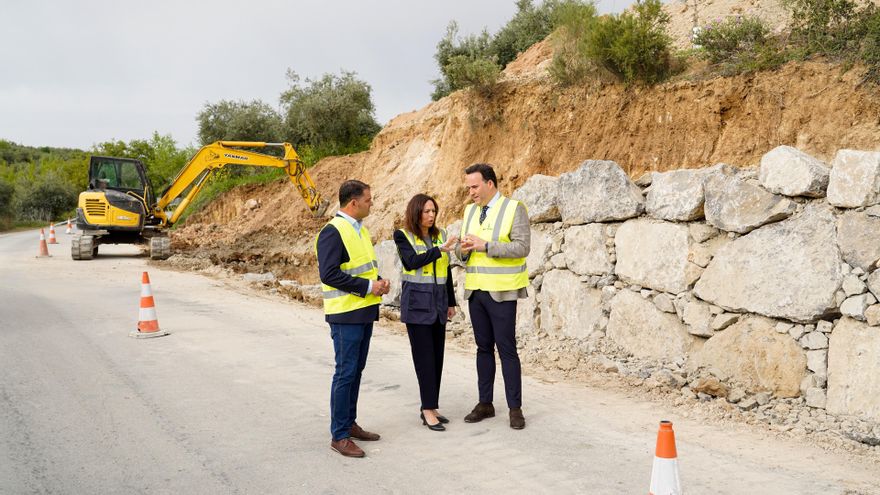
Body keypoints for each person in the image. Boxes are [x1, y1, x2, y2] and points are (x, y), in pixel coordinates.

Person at [315, 179, 390, 458]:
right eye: (369, 199)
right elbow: (330, 274)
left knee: (355, 371)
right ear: (353, 202)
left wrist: (378, 282)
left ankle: (349, 423)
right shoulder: (333, 231)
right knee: (345, 372)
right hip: (345, 314)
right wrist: (369, 287)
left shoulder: (360, 230)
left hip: (362, 311)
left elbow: (364, 269)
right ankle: (339, 435)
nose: (372, 203)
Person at [457, 163, 530, 430]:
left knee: (507, 350)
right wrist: (463, 250)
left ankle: (515, 408)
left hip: (502, 291)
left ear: (490, 183)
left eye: (474, 187)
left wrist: (486, 246)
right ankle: (485, 403)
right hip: (476, 290)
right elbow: (462, 254)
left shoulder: (514, 208)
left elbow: (523, 247)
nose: (471, 192)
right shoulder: (469, 211)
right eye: (468, 188)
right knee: (482, 349)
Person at [393, 193, 459, 432]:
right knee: (424, 359)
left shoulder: (440, 235)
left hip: (439, 304)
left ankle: (433, 405)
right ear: (416, 212)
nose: (431, 216)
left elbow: (446, 271)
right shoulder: (403, 235)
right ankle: (427, 409)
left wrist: (451, 301)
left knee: (437, 357)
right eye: (427, 211)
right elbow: (411, 262)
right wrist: (439, 250)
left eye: (434, 211)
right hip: (417, 306)